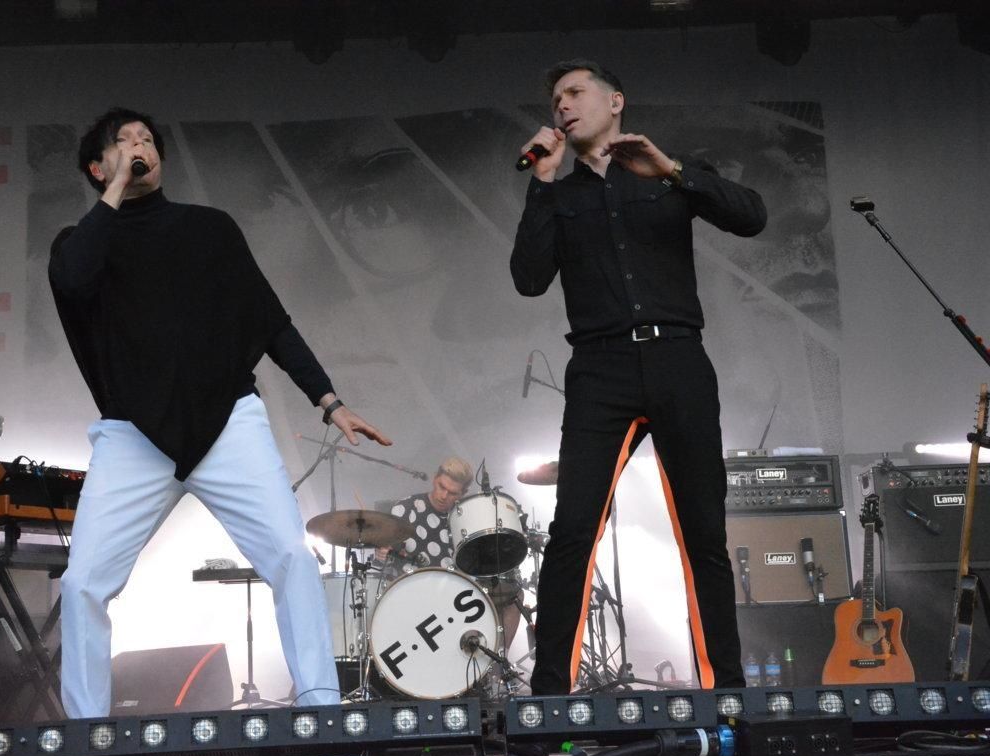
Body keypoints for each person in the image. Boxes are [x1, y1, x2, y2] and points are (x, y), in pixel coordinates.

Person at [49, 107, 390, 718]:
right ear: (98, 168)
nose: (141, 147)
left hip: (226, 422)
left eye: (148, 140)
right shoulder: (80, 245)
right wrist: (117, 192)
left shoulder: (209, 228)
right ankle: (87, 734)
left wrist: (328, 400)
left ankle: (324, 722)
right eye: (124, 143)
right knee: (82, 584)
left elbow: (269, 319)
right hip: (134, 436)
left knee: (292, 559)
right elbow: (73, 284)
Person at [511, 61, 767, 694]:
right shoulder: (560, 195)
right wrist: (541, 183)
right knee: (573, 531)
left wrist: (674, 170)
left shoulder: (667, 173)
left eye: (575, 93)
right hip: (600, 369)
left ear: (616, 101)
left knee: (704, 532)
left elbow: (752, 216)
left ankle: (726, 692)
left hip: (678, 358)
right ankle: (550, 698)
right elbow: (528, 280)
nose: (563, 105)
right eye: (556, 98)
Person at [379, 457, 526, 655]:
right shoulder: (405, 509)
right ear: (435, 478)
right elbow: (385, 556)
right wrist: (382, 552)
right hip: (414, 594)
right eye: (441, 487)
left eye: (452, 493)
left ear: (463, 493)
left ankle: (498, 661)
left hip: (455, 594)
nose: (443, 496)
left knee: (513, 594)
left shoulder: (465, 518)